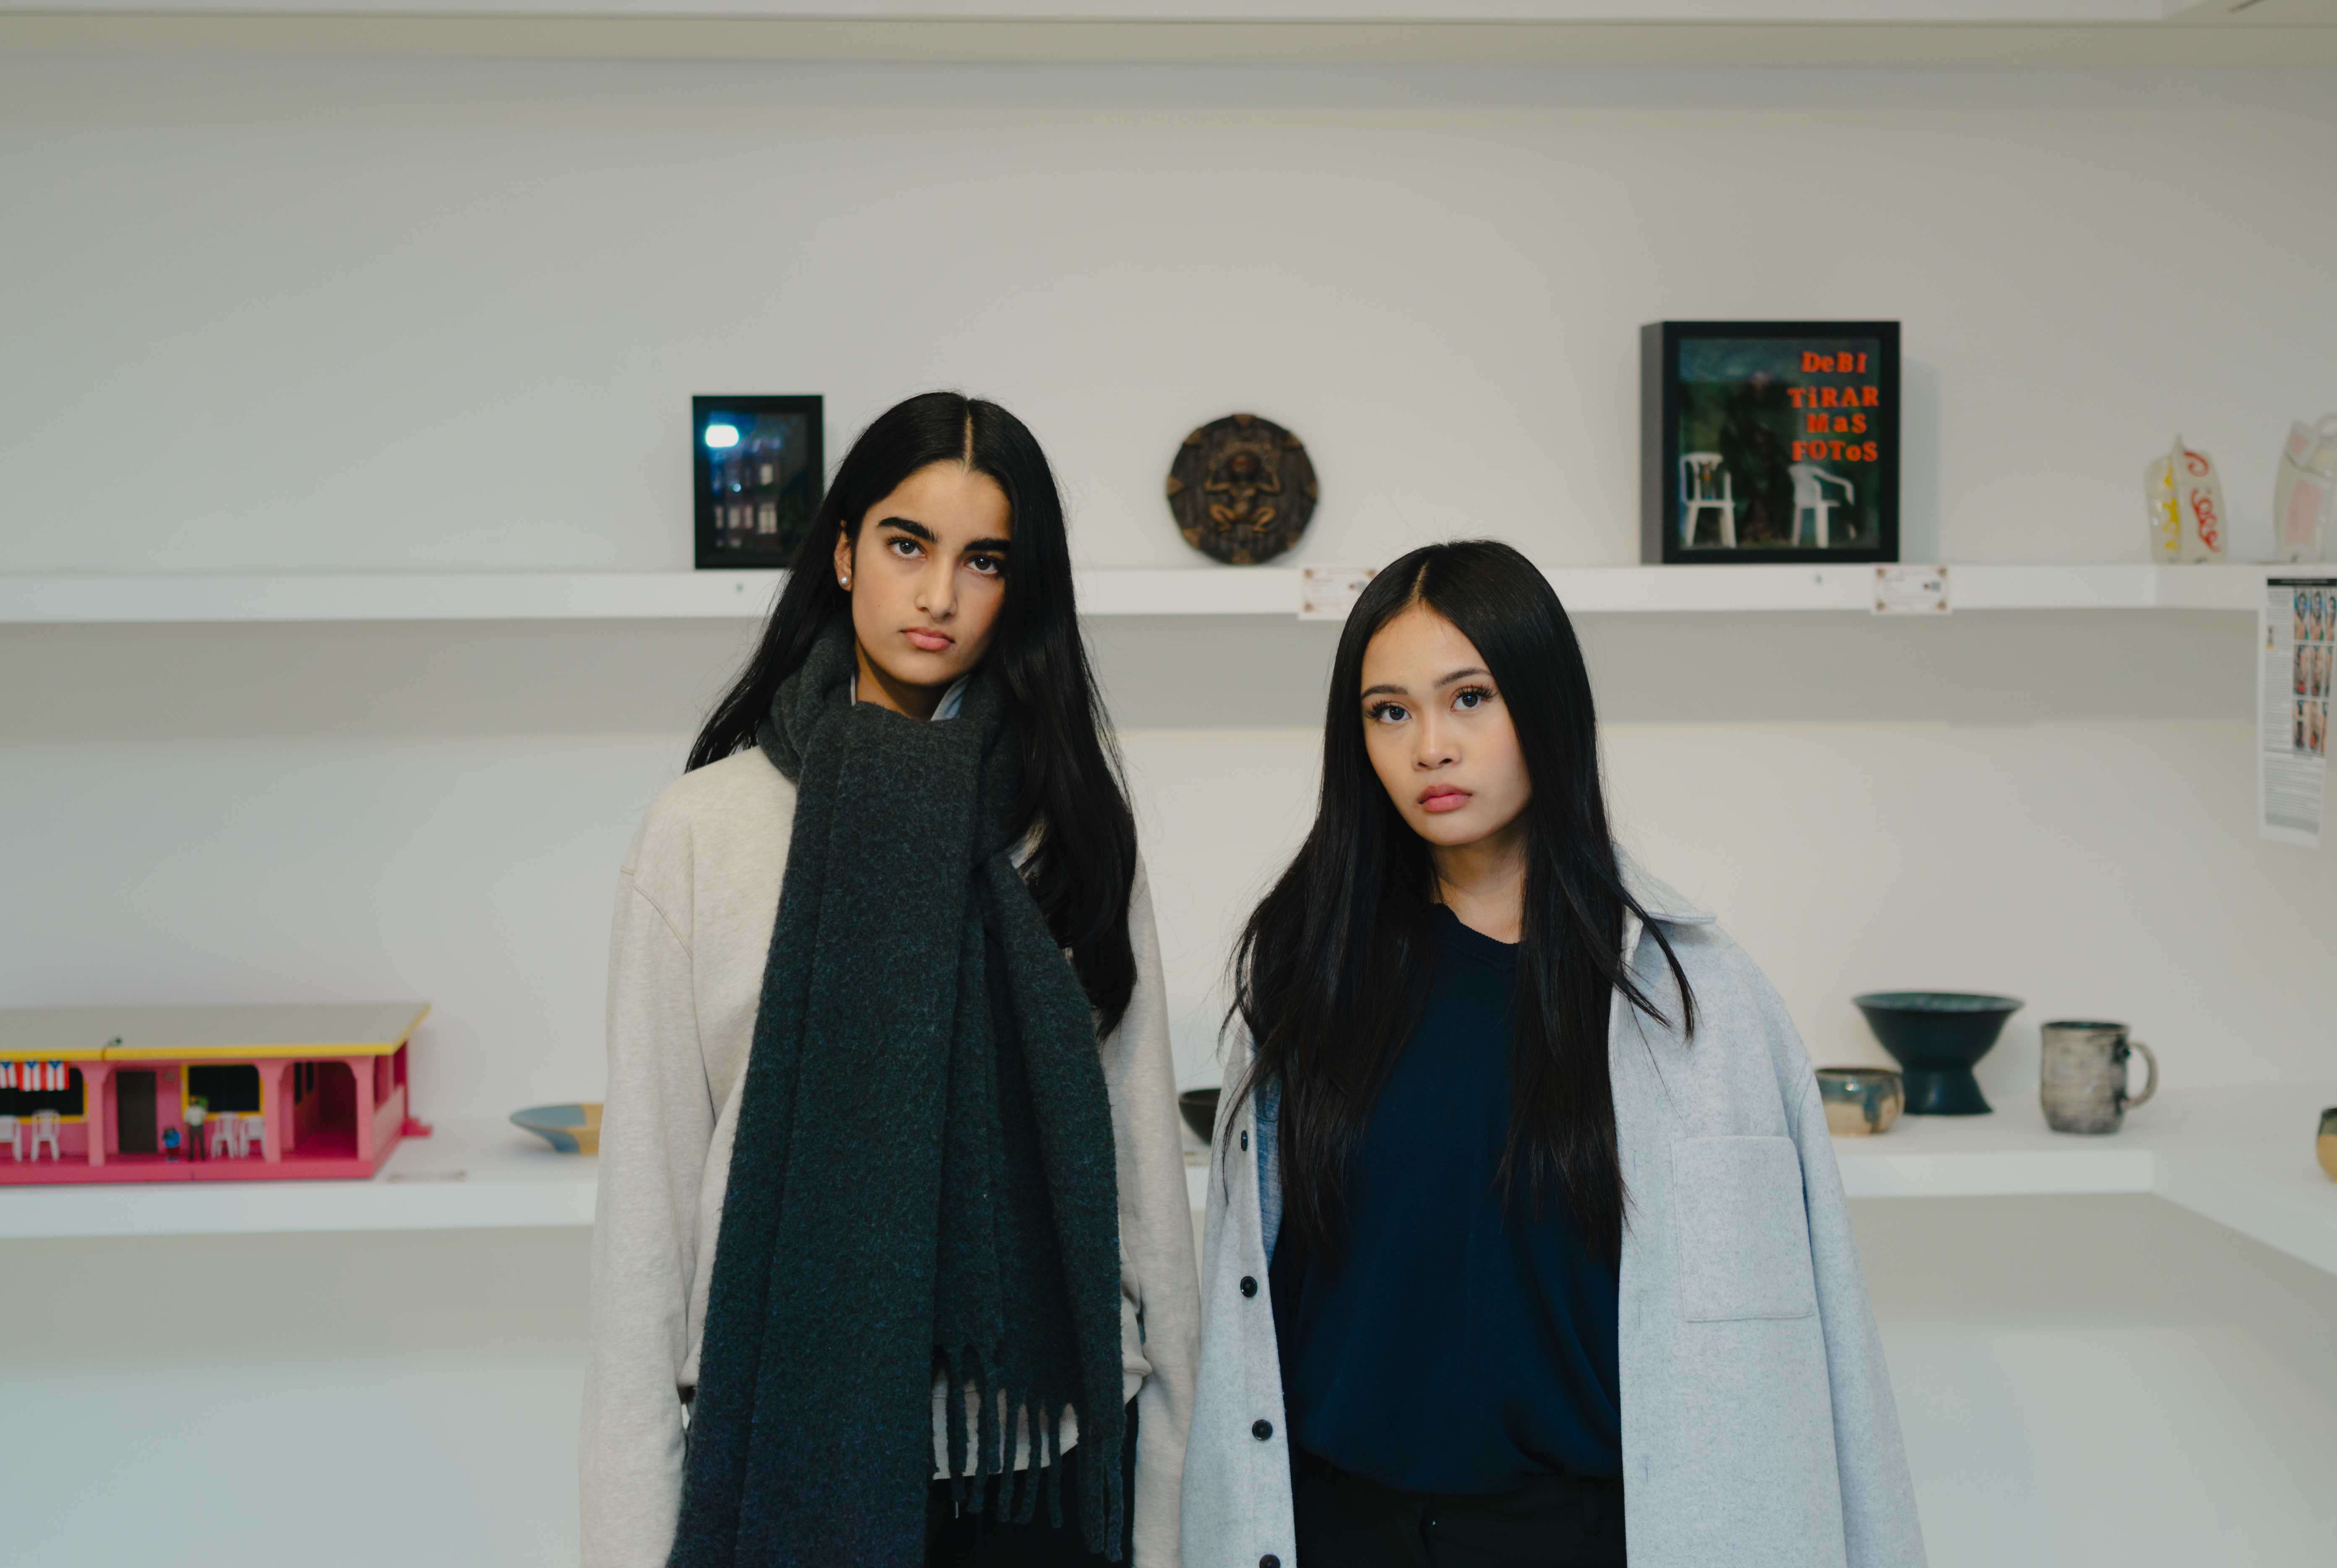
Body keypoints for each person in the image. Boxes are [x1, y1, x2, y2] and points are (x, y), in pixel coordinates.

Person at [1182, 541, 1924, 1568]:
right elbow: (1248, 1313)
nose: (1429, 746)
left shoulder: (1693, 998)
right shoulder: (1305, 975)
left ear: (1546, 704)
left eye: (1470, 698)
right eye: (1389, 711)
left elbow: (1818, 1339)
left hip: (1581, 1535)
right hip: (1332, 1529)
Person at [582, 392, 1198, 1568]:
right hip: (783, 1448)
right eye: (909, 545)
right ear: (846, 549)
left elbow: (1141, 1188)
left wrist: (1170, 1512)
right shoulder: (705, 830)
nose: (938, 596)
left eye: (984, 561)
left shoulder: (1069, 828)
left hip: (1046, 1468)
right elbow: (644, 1228)